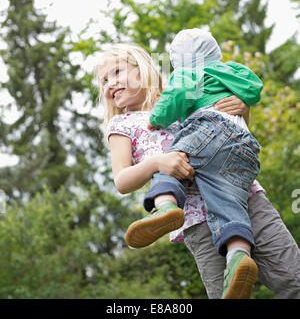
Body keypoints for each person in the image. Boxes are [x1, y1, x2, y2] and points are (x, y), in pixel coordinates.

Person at [95, 42, 300, 299]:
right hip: (195, 220)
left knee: (294, 277)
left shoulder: (183, 96)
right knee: (225, 293)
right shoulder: (122, 125)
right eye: (103, 81)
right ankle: (166, 210)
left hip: (245, 199)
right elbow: (122, 180)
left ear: (143, 70)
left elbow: (229, 133)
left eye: (116, 73)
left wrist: (242, 109)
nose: (109, 84)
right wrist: (158, 163)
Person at [125, 28, 263, 298]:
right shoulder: (232, 70)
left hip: (209, 129)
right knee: (230, 202)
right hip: (245, 147)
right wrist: (245, 103)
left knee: (171, 161)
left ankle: (165, 208)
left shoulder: (189, 73)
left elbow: (177, 95)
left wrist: (157, 118)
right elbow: (254, 88)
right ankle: (238, 257)